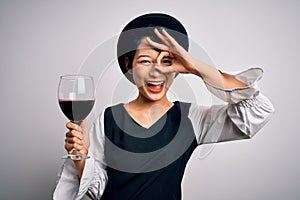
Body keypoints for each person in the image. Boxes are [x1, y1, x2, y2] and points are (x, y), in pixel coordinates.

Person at [53, 13, 274, 200]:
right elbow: (97, 190)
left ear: (179, 67)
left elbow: (257, 110)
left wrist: (196, 66)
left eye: (167, 62)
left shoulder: (193, 118)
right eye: (145, 61)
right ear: (130, 66)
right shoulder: (108, 118)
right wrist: (81, 157)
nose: (156, 72)